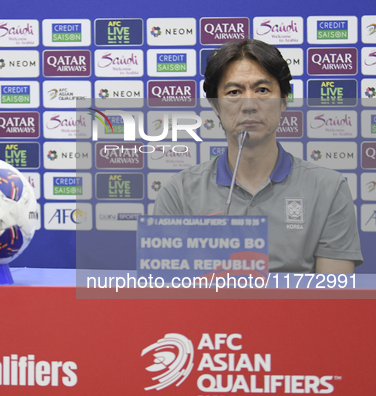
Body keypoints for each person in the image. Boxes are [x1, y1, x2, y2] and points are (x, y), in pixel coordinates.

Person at [154, 39, 362, 273]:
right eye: (234, 92)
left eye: (262, 90)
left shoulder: (329, 189)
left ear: (284, 100)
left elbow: (334, 299)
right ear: (215, 106)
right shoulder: (179, 192)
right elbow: (169, 297)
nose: (249, 104)